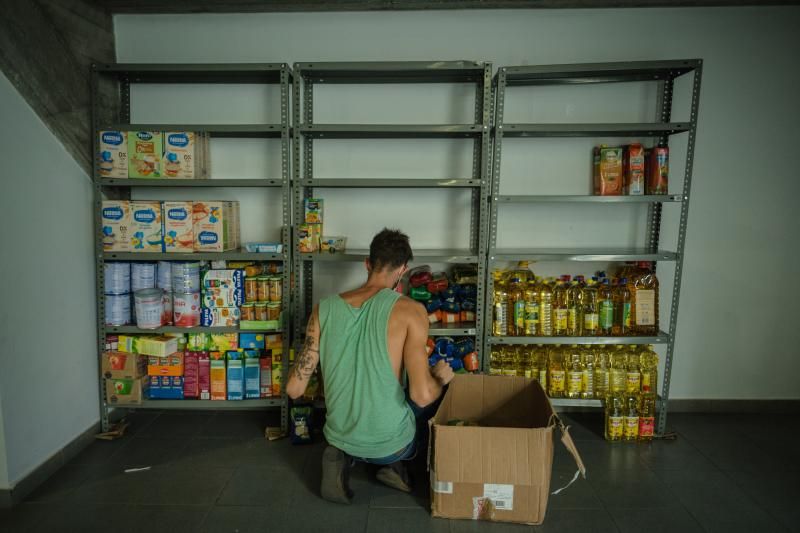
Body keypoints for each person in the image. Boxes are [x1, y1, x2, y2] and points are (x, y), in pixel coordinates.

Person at [286, 228, 455, 504]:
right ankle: (393, 464)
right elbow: (422, 396)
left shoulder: (322, 309)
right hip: (391, 445)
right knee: (435, 392)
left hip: (337, 434)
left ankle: (341, 456)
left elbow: (294, 389)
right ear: (403, 270)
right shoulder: (412, 311)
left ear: (368, 263)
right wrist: (439, 379)